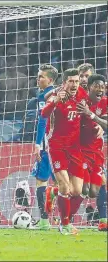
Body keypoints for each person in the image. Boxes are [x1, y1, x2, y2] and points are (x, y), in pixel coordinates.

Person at [41, 68, 84, 235]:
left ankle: (53, 192)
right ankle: (64, 225)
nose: (74, 84)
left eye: (76, 81)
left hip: (75, 148)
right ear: (64, 82)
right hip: (57, 146)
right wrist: (55, 101)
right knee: (65, 187)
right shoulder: (56, 95)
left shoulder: (81, 93)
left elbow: (94, 102)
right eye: (71, 81)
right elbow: (44, 113)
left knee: (77, 191)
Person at [29, 64, 58, 230]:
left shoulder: (45, 96)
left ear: (50, 80)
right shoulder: (61, 93)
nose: (38, 79)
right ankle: (46, 221)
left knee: (42, 182)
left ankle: (45, 222)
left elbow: (43, 121)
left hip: (49, 145)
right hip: (62, 144)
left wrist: (38, 144)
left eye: (41, 76)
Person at [76, 74, 107, 231]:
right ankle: (65, 219)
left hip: (97, 152)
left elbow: (106, 125)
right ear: (89, 87)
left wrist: (93, 116)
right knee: (84, 189)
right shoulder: (81, 101)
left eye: (102, 86)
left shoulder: (105, 102)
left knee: (94, 192)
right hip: (81, 150)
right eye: (96, 86)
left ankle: (55, 192)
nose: (100, 89)